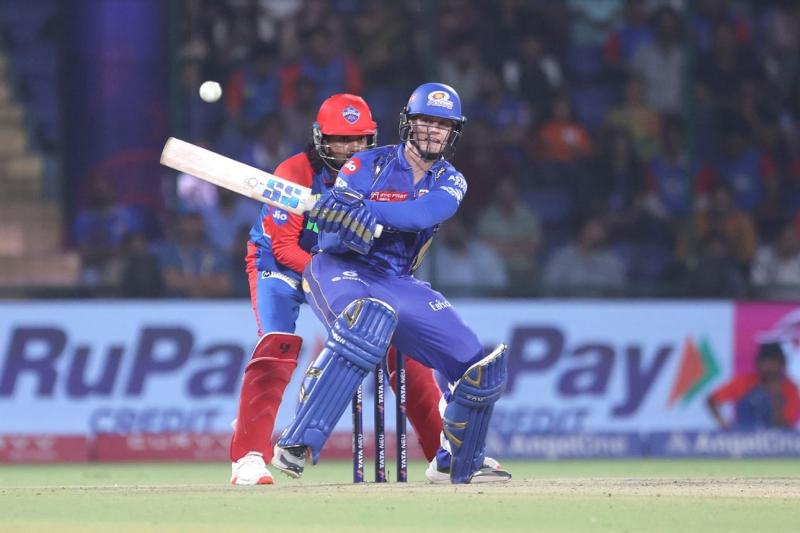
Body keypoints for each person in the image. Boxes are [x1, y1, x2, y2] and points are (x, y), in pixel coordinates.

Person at [270, 83, 512, 484]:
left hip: (397, 280)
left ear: (453, 133)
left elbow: (422, 214)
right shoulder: (366, 164)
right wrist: (342, 216)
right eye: (426, 121)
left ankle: (455, 461)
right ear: (408, 124)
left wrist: (367, 210)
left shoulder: (451, 181)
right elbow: (337, 232)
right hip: (339, 268)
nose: (433, 131)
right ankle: (296, 441)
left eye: (443, 125)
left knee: (476, 364)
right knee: (365, 322)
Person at [229, 93, 463, 485]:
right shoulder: (294, 171)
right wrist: (334, 274)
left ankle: (443, 456)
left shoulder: (383, 172)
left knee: (398, 342)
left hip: (344, 268)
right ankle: (248, 456)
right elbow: (284, 247)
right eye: (339, 139)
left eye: (358, 139)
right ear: (320, 138)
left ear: (372, 139)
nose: (350, 148)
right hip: (280, 266)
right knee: (277, 344)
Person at [706, 342, 799, 430]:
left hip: (774, 439)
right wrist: (724, 426)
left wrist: (776, 398)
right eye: (765, 363)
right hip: (743, 437)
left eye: (773, 363)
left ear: (782, 364)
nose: (768, 368)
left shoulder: (789, 389)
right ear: (758, 364)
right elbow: (712, 400)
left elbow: (786, 427)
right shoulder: (746, 382)